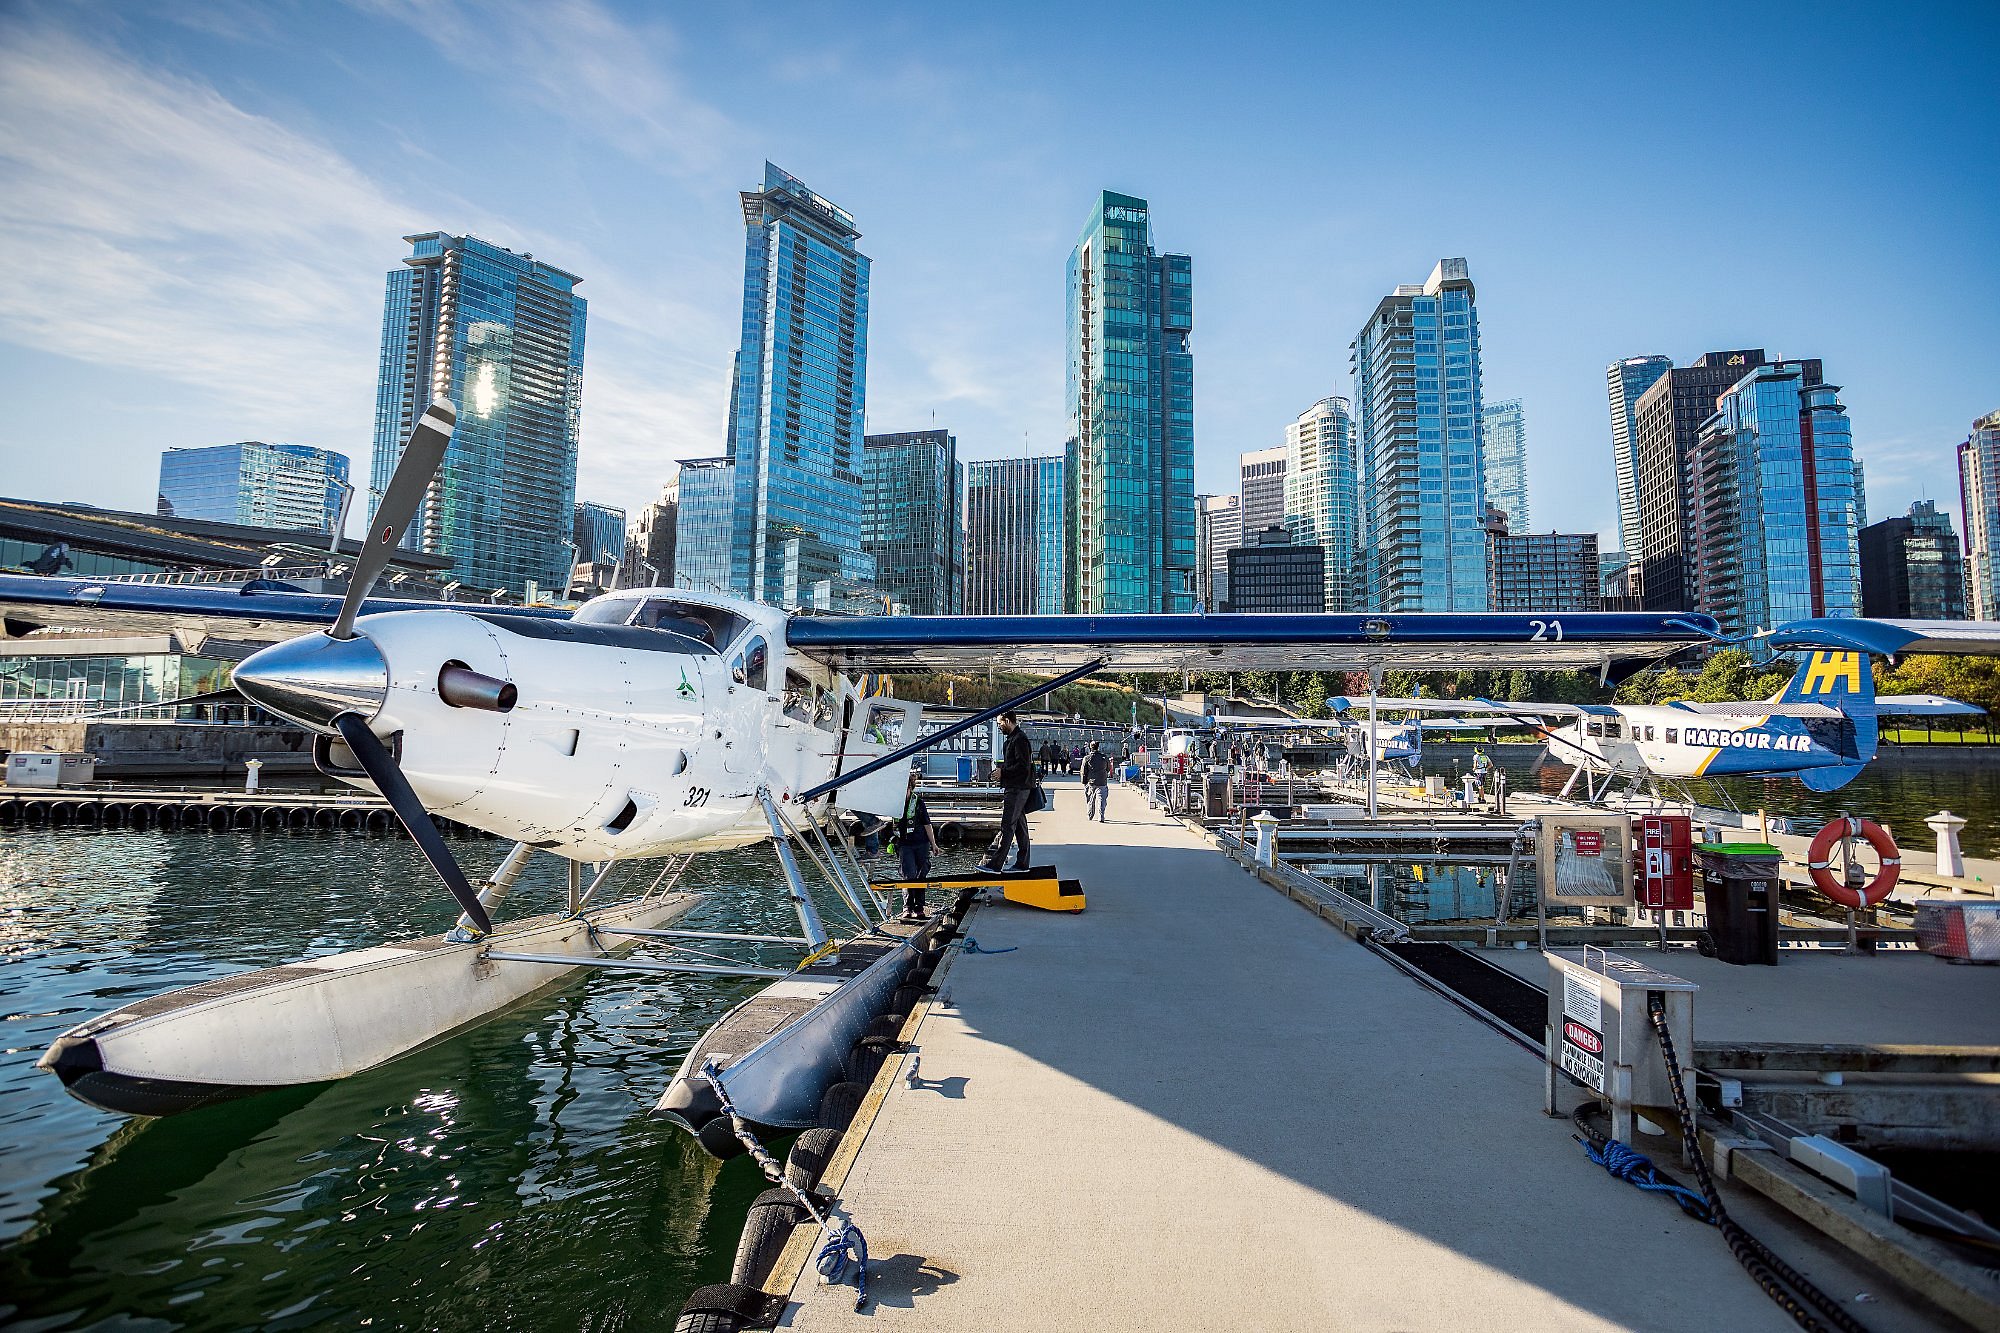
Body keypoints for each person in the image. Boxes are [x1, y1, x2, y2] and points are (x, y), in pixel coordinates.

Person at [979, 710, 1035, 872]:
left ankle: (996, 864)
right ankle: (1022, 864)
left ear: (1008, 721)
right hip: (1017, 786)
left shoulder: (1019, 740)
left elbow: (1023, 766)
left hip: (1017, 788)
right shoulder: (1015, 738)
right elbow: (1018, 764)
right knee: (1019, 826)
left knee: (1007, 825)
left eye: (1000, 723)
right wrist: (1001, 771)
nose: (999, 726)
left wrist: (1003, 772)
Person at [893, 766, 939, 919]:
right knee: (908, 875)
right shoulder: (894, 803)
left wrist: (933, 844)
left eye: (906, 789)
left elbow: (927, 824)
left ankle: (919, 907)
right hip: (905, 844)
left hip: (921, 843)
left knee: (920, 876)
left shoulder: (918, 803)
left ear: (910, 788)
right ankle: (907, 907)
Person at [1083, 740, 1113, 822]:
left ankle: (1090, 815)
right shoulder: (1104, 757)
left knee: (1091, 799)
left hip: (1091, 782)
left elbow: (1083, 771)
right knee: (1101, 799)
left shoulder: (1087, 758)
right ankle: (1101, 816)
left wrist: (1084, 782)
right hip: (1102, 781)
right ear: (1098, 747)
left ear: (1090, 748)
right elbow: (1108, 768)